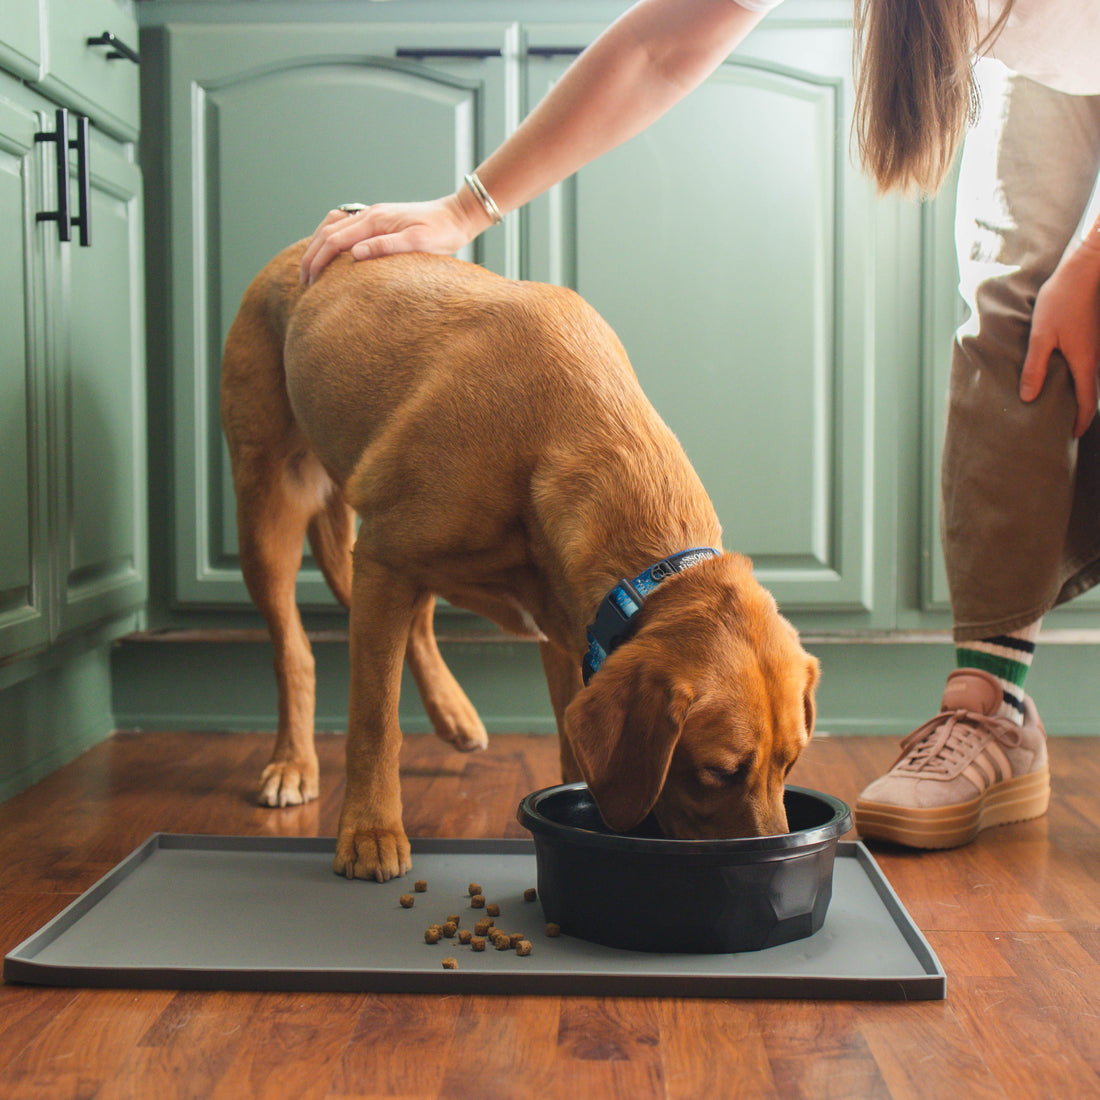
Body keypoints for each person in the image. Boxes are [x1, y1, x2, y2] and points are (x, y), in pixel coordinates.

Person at [299, 0, 1100, 849]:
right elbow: (660, 45)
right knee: (1016, 320)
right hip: (1047, 62)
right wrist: (465, 210)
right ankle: (991, 703)